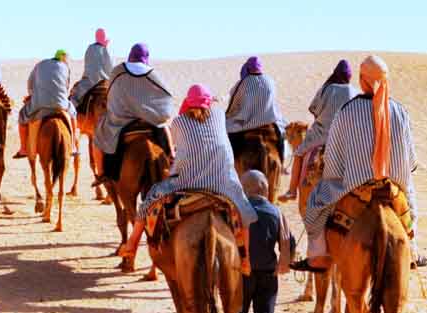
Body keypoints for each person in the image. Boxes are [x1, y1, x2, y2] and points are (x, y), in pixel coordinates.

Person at [292, 55, 427, 272]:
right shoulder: (400, 111)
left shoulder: (346, 111)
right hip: (392, 184)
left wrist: (337, 174)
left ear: (363, 80)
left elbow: (334, 160)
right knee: (410, 203)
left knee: (316, 202)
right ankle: (412, 249)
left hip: (354, 185)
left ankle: (318, 255)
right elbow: (411, 162)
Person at [118, 84, 256, 259]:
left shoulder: (178, 122)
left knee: (149, 201)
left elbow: (179, 152)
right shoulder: (219, 115)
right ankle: (247, 257)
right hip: (223, 180)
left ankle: (132, 244)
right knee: (246, 211)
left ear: (188, 103)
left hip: (186, 181)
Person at [228, 170, 292, 313]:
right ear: (265, 189)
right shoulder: (275, 212)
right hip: (267, 276)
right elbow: (288, 244)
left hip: (241, 274)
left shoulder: (237, 212)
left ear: (244, 190)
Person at [92, 43, 176, 185]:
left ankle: (101, 173)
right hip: (149, 120)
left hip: (121, 121)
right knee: (165, 126)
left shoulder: (118, 71)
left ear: (131, 54)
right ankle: (172, 159)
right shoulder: (152, 74)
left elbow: (111, 92)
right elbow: (167, 96)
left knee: (98, 136)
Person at [280, 60, 359, 201]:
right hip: (347, 137)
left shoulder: (326, 89)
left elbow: (314, 111)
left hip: (321, 135)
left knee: (298, 154)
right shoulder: (356, 92)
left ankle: (292, 191)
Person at [14, 50, 76, 159]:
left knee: (22, 116)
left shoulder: (39, 65)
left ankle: (23, 148)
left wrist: (33, 95)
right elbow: (66, 87)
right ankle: (73, 145)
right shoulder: (66, 68)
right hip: (61, 103)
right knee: (73, 114)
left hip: (39, 104)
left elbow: (30, 84)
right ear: (64, 60)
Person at [225, 56, 286, 164]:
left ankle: (229, 167)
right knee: (281, 135)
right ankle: (282, 162)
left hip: (246, 124)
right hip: (270, 121)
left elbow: (232, 108)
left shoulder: (241, 84)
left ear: (247, 68)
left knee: (226, 135)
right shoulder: (270, 81)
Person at [69, 28, 112, 107]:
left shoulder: (90, 49)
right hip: (106, 82)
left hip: (89, 82)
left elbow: (88, 67)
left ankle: (73, 116)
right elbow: (110, 69)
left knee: (73, 98)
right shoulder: (108, 51)